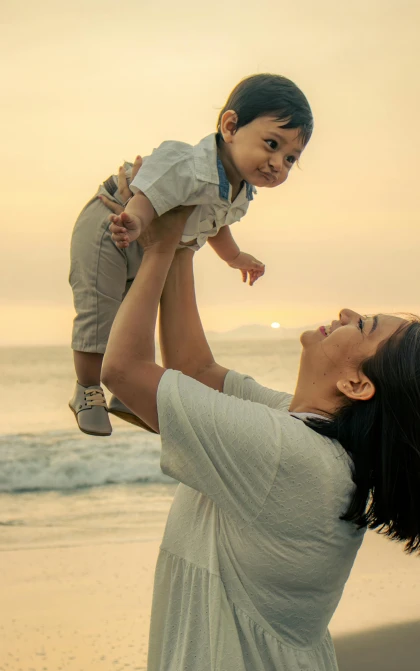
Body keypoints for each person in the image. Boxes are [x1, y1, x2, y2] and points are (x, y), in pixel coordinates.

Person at [100, 203, 420, 671]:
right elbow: (194, 369)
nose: (345, 311)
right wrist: (189, 232)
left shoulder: (290, 461)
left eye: (363, 324)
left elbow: (122, 370)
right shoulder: (307, 440)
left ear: (356, 383)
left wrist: (160, 248)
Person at [69, 73, 313, 436]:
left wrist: (234, 257)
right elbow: (149, 193)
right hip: (115, 221)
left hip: (153, 241)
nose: (278, 163)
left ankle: (126, 392)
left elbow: (215, 223)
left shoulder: (239, 191)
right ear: (230, 126)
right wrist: (134, 221)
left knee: (136, 314)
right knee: (101, 310)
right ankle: (87, 389)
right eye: (272, 144)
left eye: (291, 159)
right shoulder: (189, 164)